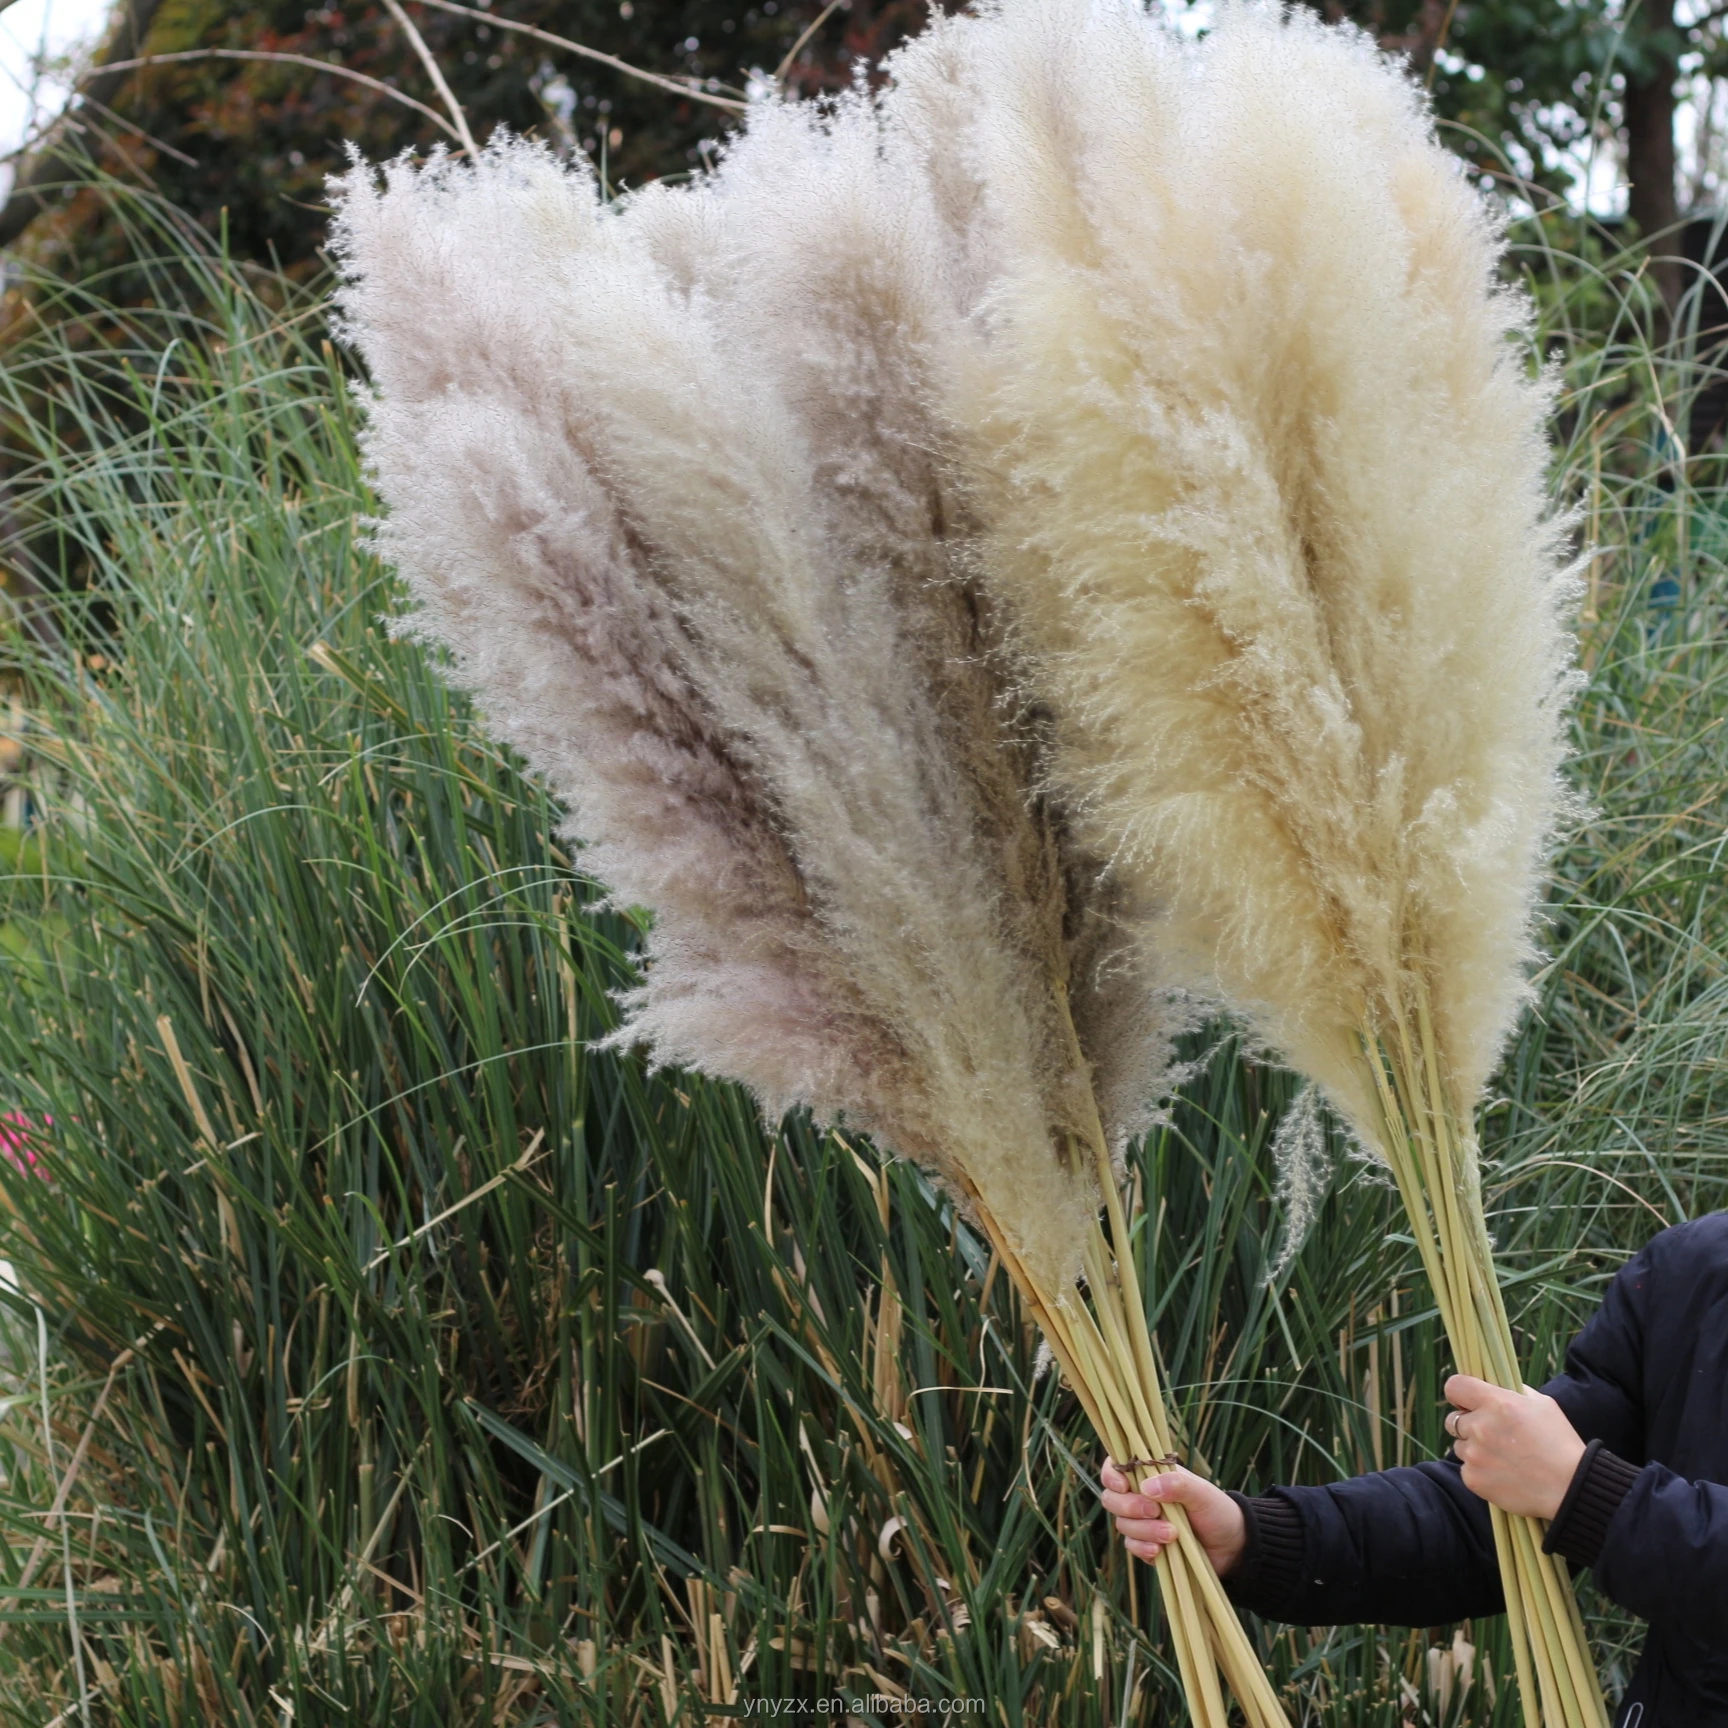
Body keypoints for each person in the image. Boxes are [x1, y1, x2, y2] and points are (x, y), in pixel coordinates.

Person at [1100, 1214, 1728, 1727]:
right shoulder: (1692, 1273)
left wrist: (1583, 1494)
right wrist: (1255, 1536)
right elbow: (1495, 1515)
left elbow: (1565, 1485)